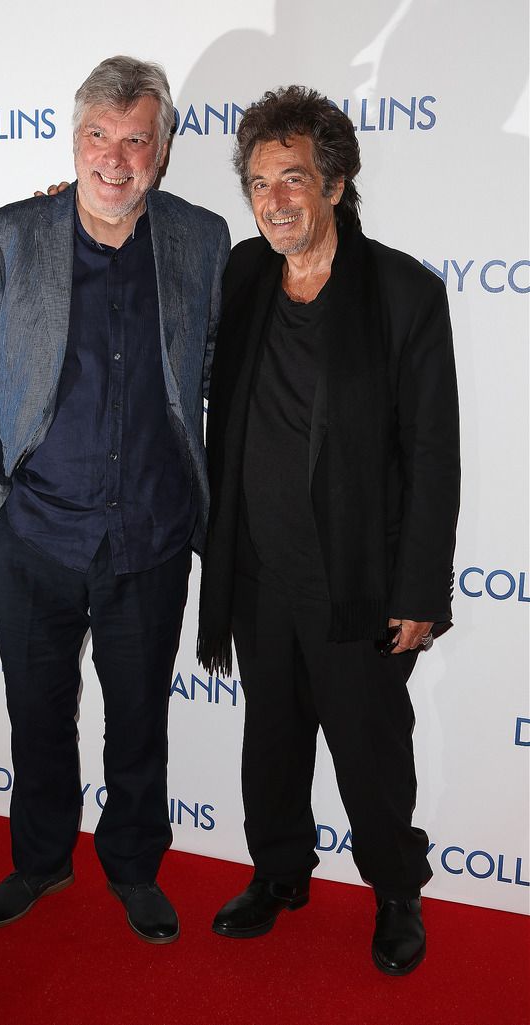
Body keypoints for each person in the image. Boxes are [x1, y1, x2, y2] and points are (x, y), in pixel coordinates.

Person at [0, 55, 230, 945]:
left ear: (164, 150)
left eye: (136, 138)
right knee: (37, 710)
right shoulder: (9, 236)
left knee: (141, 716)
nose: (115, 158)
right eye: (99, 137)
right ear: (76, 140)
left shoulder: (203, 240)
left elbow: (219, 371)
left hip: (148, 532)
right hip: (33, 534)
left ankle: (135, 866)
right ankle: (39, 859)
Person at [197, 86, 459, 975]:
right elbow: (141, 264)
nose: (275, 198)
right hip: (257, 572)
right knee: (268, 742)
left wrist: (421, 587)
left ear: (336, 182)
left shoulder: (403, 293)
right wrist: (61, 208)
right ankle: (278, 874)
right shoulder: (238, 275)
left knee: (371, 754)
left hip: (358, 582)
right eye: (261, 180)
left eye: (295, 177)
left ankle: (395, 892)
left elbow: (434, 454)